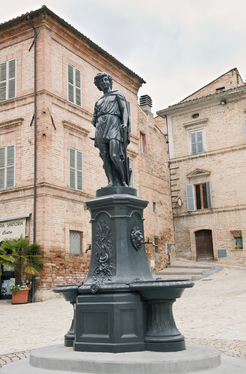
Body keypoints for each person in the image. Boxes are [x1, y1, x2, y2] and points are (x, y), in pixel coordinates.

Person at [91, 72, 131, 187]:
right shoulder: (98, 101)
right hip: (101, 128)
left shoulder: (117, 94)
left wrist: (124, 123)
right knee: (105, 156)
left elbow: (124, 110)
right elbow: (94, 116)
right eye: (101, 81)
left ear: (109, 81)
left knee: (114, 154)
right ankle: (111, 181)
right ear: (99, 85)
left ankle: (123, 181)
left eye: (105, 80)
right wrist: (94, 120)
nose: (104, 82)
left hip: (113, 124)